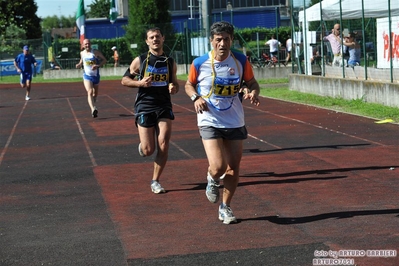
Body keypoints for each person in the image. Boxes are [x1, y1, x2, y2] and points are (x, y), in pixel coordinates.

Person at [185, 21, 260, 224]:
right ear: (211, 41)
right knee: (218, 166)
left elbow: (252, 82)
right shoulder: (200, 63)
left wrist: (252, 91)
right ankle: (211, 177)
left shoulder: (241, 61)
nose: (222, 43)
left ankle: (225, 207)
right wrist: (196, 98)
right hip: (209, 118)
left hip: (234, 120)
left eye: (226, 39)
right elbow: (189, 85)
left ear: (231, 40)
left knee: (233, 168)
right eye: (218, 39)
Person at [121, 27, 179, 194]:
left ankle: (155, 180)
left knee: (164, 143)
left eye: (158, 36)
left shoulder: (170, 62)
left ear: (163, 38)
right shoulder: (140, 61)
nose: (155, 39)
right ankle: (144, 146)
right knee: (148, 150)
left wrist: (173, 87)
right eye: (151, 37)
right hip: (145, 106)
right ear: (147, 41)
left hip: (164, 106)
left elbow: (175, 83)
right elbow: (125, 80)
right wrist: (140, 83)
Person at [76, 39, 107, 118]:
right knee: (89, 91)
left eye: (88, 44)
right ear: (83, 45)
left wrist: (98, 65)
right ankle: (93, 109)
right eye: (85, 44)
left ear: (91, 44)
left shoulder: (95, 52)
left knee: (95, 94)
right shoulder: (82, 53)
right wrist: (79, 64)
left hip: (95, 76)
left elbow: (104, 60)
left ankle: (93, 104)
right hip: (87, 76)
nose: (87, 45)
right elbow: (81, 61)